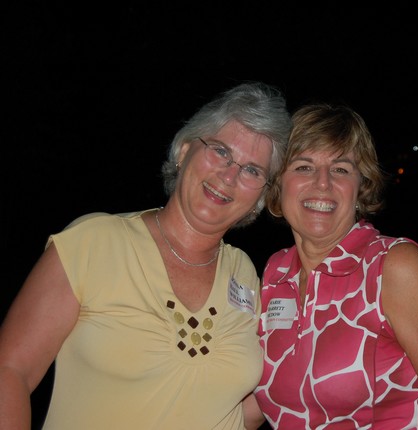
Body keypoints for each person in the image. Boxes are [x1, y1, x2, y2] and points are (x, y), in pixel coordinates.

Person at [0, 81, 291, 429]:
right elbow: (10, 371)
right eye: (220, 151)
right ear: (184, 151)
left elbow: (241, 410)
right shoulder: (95, 242)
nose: (229, 175)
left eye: (252, 170)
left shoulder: (247, 276)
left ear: (260, 198)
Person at [247, 103, 418, 429]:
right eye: (304, 167)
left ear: (361, 186)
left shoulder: (395, 268)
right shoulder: (275, 273)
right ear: (279, 183)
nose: (322, 182)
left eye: (341, 169)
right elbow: (263, 400)